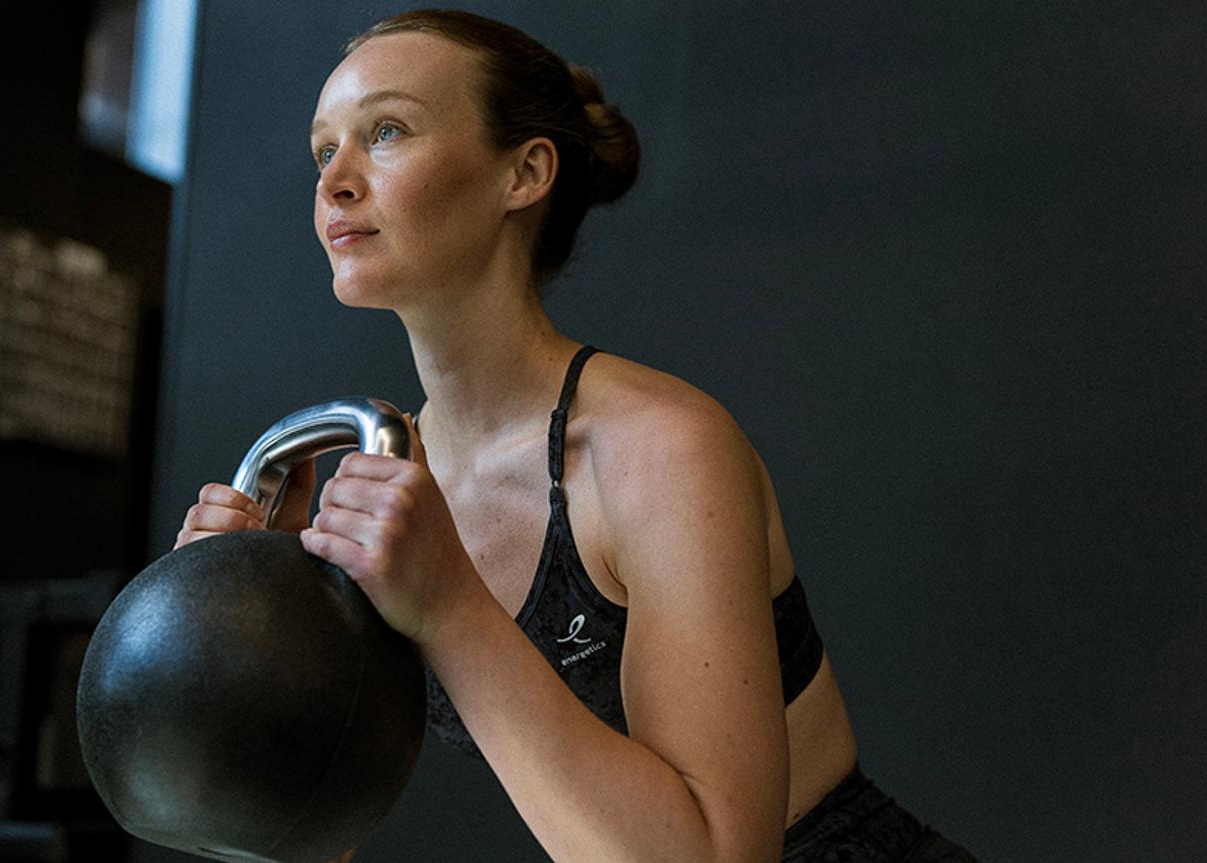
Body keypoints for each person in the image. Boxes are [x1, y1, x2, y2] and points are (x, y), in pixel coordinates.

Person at [176, 9, 977, 863]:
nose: (335, 179)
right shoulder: (389, 477)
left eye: (386, 131)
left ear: (524, 172)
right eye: (322, 150)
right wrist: (253, 638)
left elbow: (719, 854)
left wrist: (451, 608)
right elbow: (308, 839)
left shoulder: (659, 450)